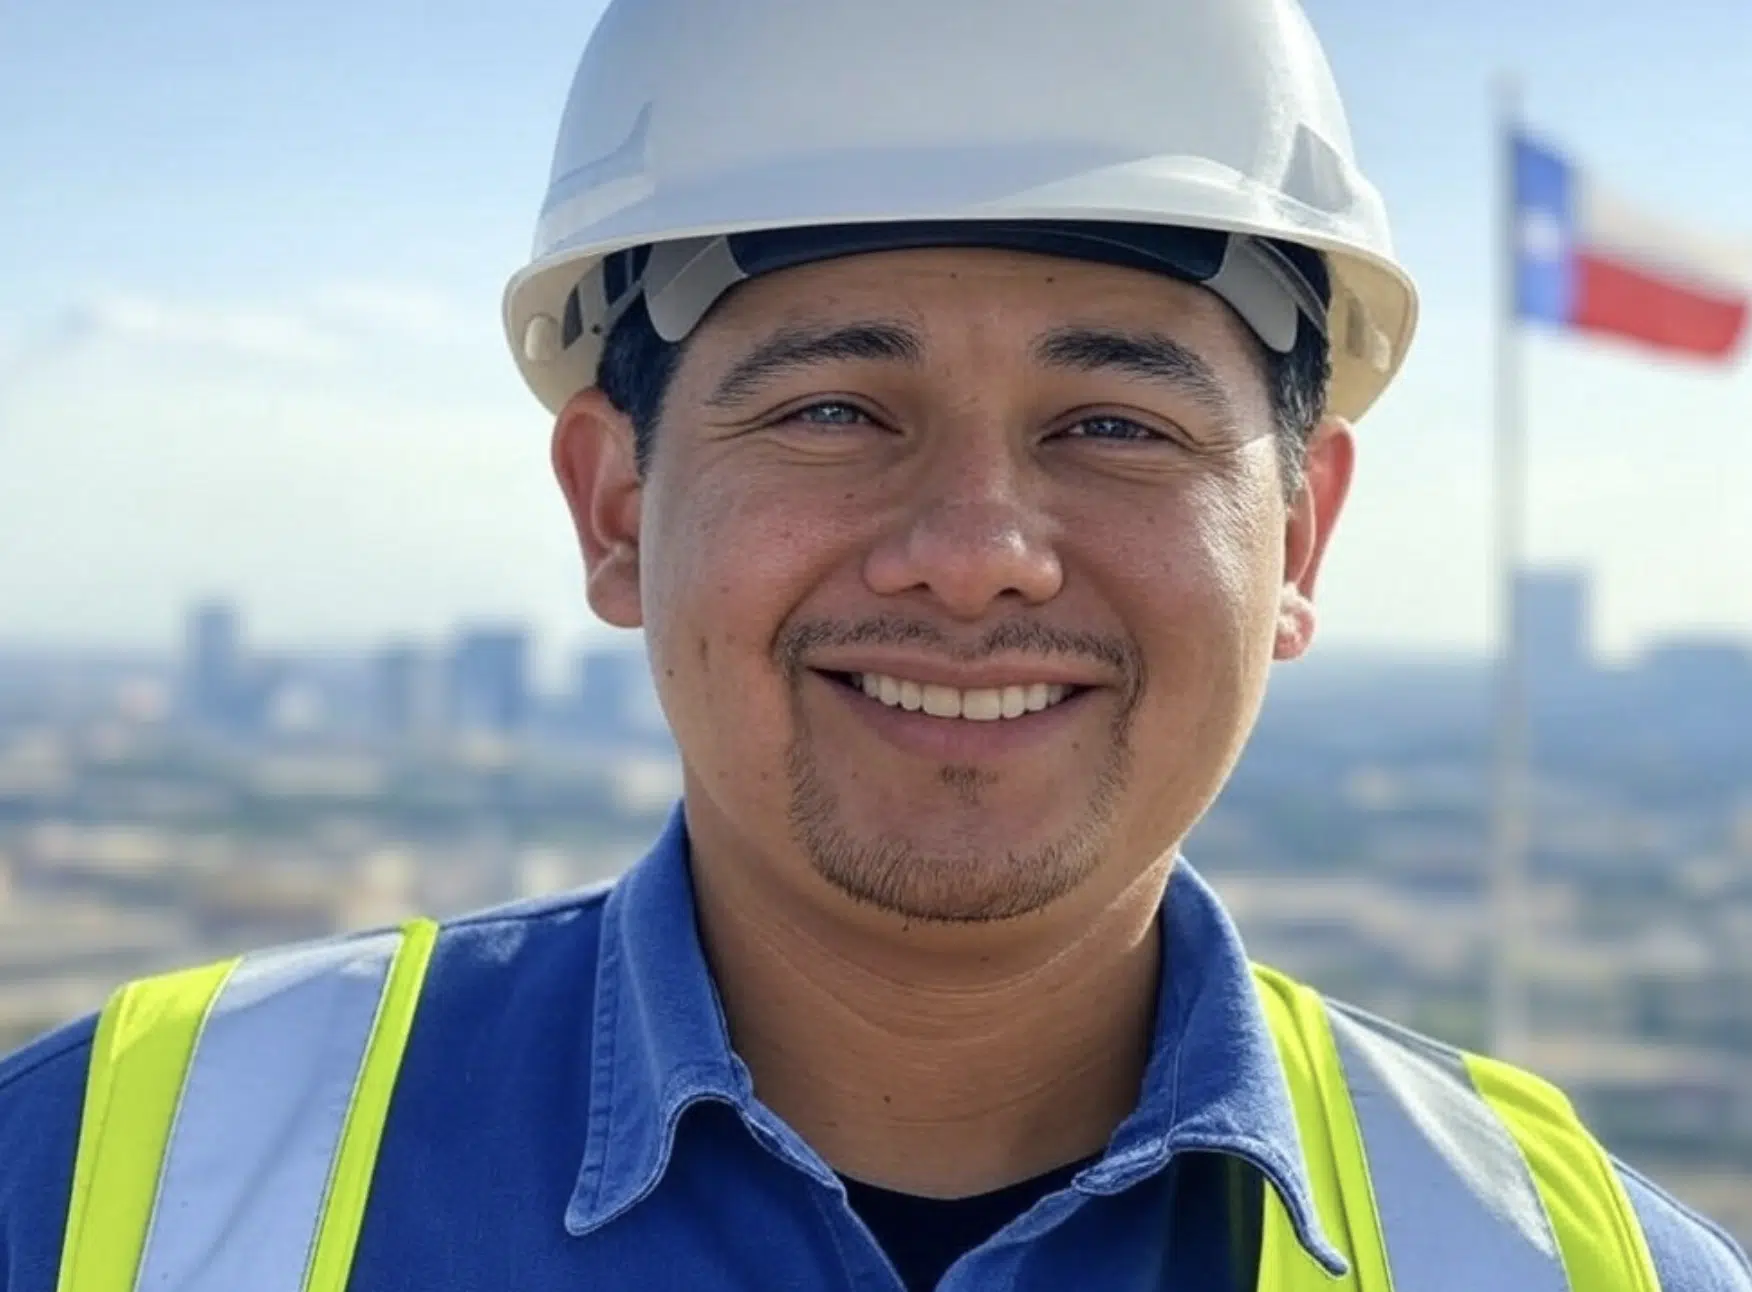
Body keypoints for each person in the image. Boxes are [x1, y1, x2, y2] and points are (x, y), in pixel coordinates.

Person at [3, 0, 1750, 1288]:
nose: (977, 558)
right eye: (835, 410)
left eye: (1115, 426)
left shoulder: (1578, 1265)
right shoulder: (96, 1190)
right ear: (615, 508)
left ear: (1298, 538)